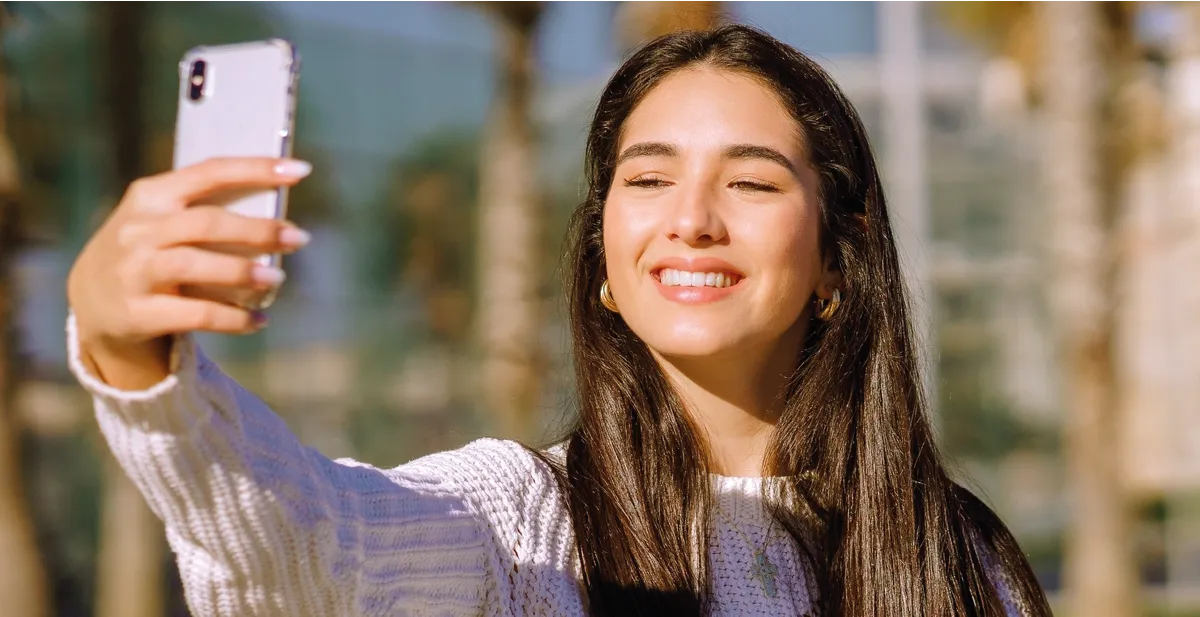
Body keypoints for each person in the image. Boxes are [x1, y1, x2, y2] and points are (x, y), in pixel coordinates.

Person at [65, 25, 1051, 616]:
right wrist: (133, 361)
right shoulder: (517, 517)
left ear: (837, 258)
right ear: (607, 266)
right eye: (649, 178)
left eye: (749, 179)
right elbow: (310, 546)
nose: (691, 220)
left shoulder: (951, 554)